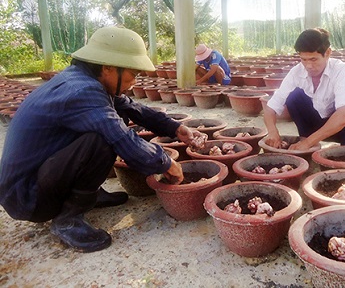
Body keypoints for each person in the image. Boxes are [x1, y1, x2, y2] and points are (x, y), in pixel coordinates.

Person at [0, 26, 204, 253]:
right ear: (108, 67)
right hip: (28, 197)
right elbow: (120, 136)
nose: (134, 82)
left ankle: (88, 194)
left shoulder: (86, 80)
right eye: (132, 74)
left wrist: (176, 129)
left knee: (118, 116)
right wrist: (166, 163)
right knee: (102, 138)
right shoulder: (82, 91)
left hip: (40, 177)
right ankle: (67, 219)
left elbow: (133, 108)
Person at [263, 28, 345, 151]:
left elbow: (344, 116)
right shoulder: (296, 72)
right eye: (303, 59)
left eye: (313, 59)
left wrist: (308, 142)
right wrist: (272, 131)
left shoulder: (342, 70)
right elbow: (271, 107)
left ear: (327, 53)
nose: (308, 66)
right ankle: (305, 142)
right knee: (294, 97)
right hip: (316, 124)